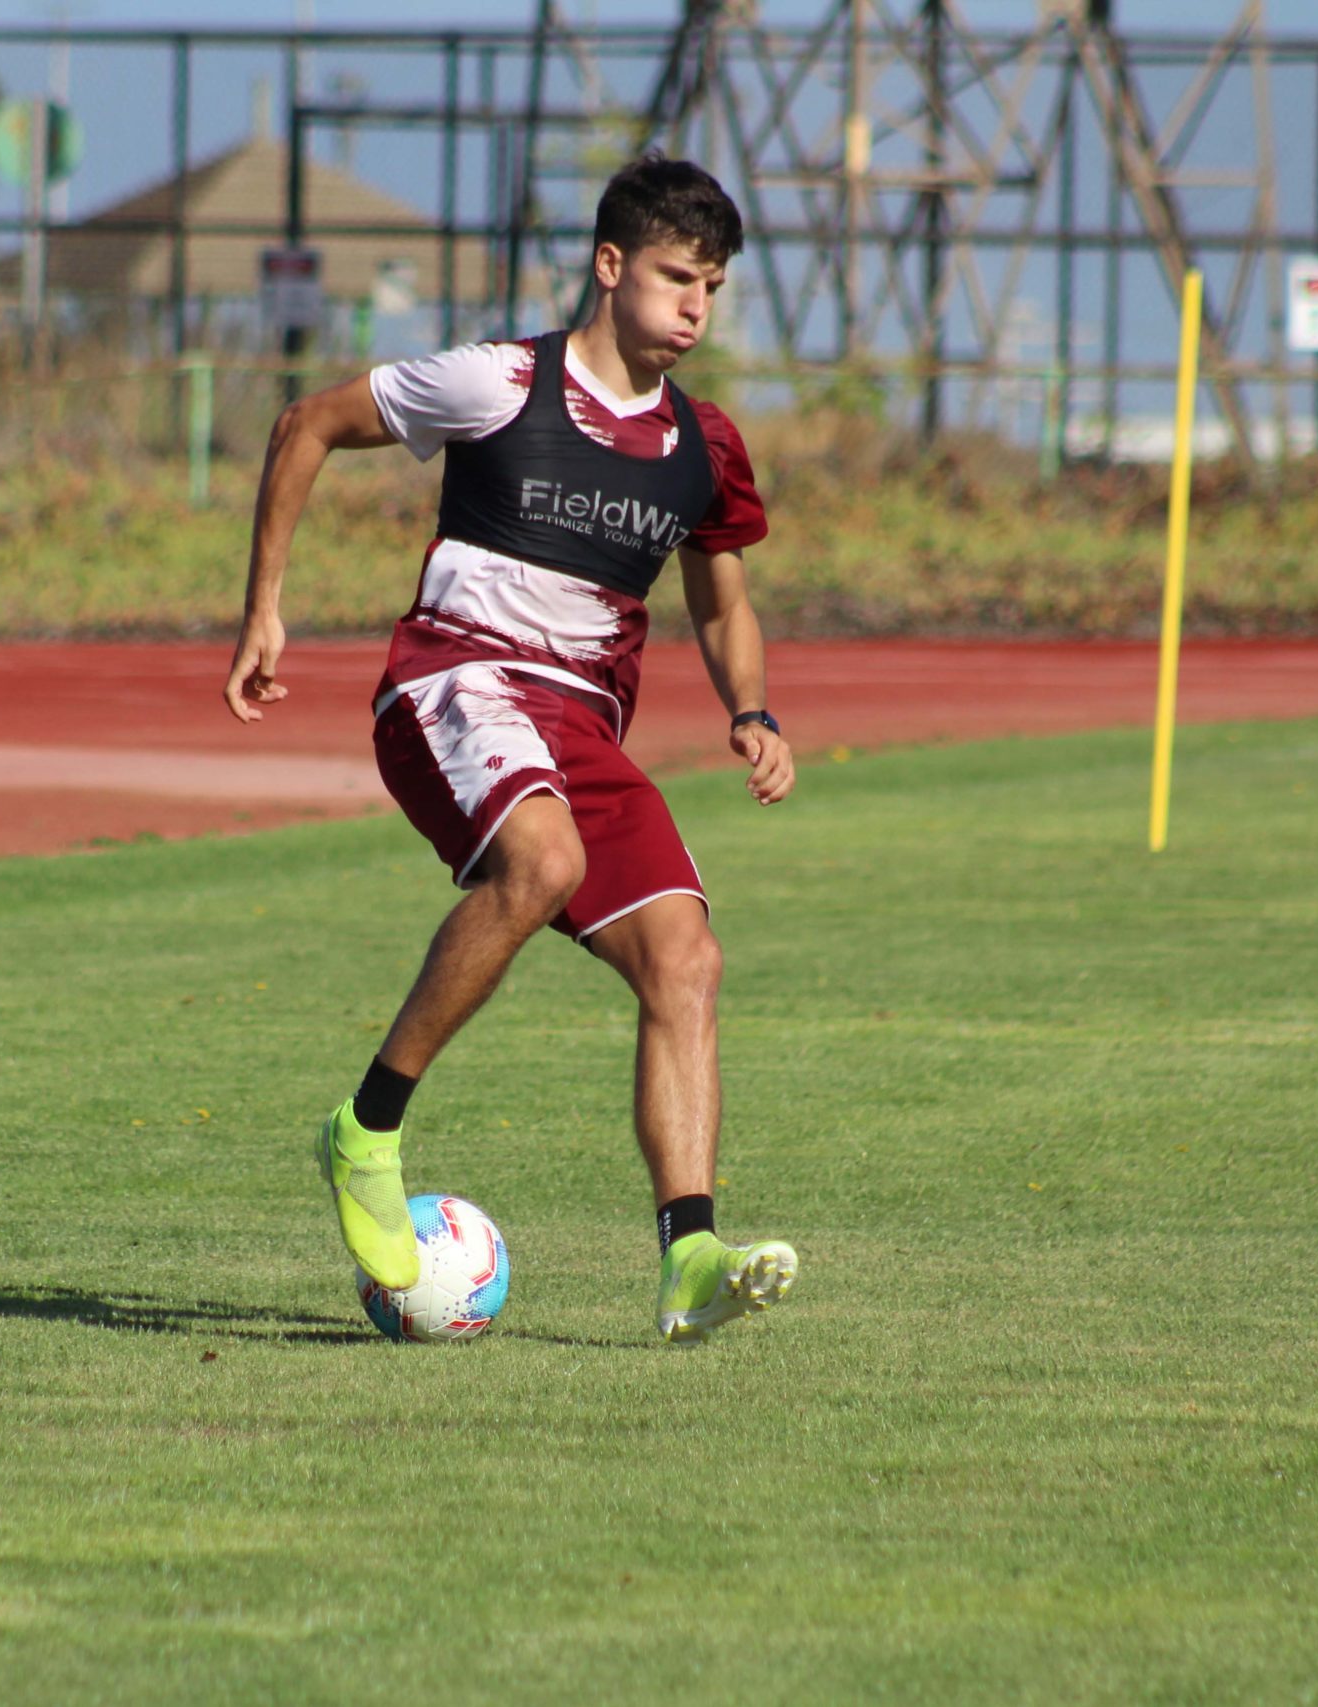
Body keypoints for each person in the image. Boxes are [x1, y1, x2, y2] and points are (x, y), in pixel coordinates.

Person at [221, 153, 798, 1345]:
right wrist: (263, 608)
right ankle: (365, 1132)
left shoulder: (704, 445)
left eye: (712, 286)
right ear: (609, 266)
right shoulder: (498, 382)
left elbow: (722, 598)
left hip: (581, 725)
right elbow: (306, 422)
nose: (695, 306)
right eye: (676, 277)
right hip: (455, 679)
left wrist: (753, 710)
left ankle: (689, 1255)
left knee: (685, 959)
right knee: (544, 862)